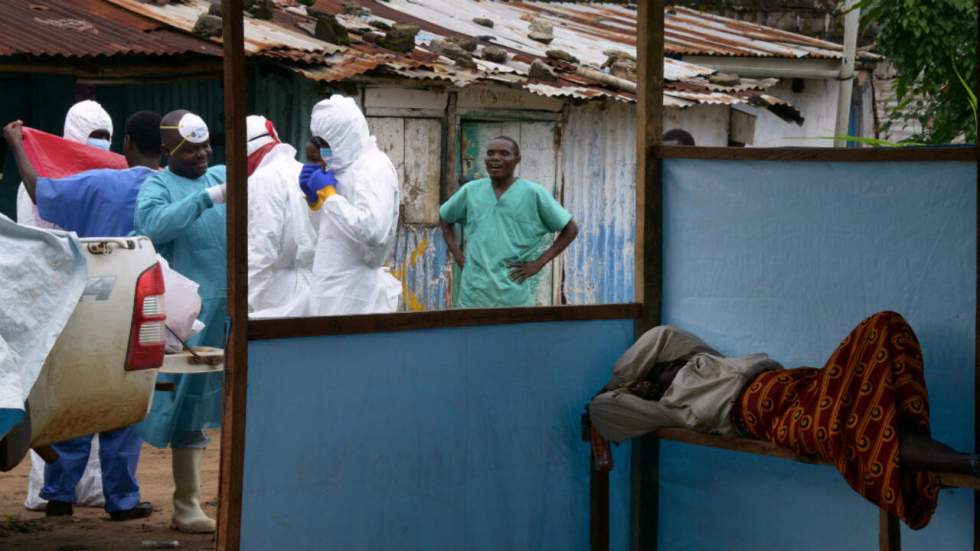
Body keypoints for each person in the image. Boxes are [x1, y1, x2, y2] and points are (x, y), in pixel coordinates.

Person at [589, 311, 979, 530]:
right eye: (638, 390)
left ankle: (962, 458)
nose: (644, 387)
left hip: (796, 383)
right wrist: (612, 392)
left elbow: (659, 335)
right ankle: (968, 461)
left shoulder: (697, 356)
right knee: (859, 431)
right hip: (768, 417)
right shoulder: (672, 409)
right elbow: (603, 411)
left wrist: (623, 378)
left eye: (645, 380)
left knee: (885, 327)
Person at [2, 111, 163, 522]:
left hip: (80, 300)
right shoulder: (172, 188)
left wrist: (17, 144)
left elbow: (40, 195)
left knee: (77, 392)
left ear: (126, 142)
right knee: (125, 398)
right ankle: (122, 500)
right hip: (141, 301)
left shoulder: (100, 183)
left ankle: (58, 493)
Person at [133, 109, 225, 533]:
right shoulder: (158, 186)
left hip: (234, 309)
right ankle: (186, 504)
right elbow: (151, 226)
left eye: (206, 146)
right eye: (192, 149)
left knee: (235, 404)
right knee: (191, 405)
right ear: (168, 150)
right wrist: (206, 199)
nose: (202, 154)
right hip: (192, 319)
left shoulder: (219, 175)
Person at [438, 136, 579, 308]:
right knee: (472, 334)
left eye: (504, 153)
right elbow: (445, 218)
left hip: (513, 295)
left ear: (517, 159)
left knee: (515, 333)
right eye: (491, 153)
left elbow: (570, 229)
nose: (495, 158)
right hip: (474, 293)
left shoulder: (534, 193)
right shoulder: (471, 191)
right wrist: (458, 255)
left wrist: (538, 263)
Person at [300, 95, 402, 315]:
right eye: (321, 143)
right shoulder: (341, 166)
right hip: (328, 285)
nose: (324, 151)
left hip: (355, 292)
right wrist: (314, 201)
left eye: (328, 144)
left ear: (345, 137)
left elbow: (373, 231)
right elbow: (328, 231)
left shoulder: (373, 168)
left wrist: (331, 197)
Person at [245, 115, 316, 318]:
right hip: (314, 288)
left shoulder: (263, 180)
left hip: (276, 294)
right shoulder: (302, 170)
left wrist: (248, 303)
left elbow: (262, 248)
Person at [16, 100, 115, 230]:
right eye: (96, 135)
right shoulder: (41, 177)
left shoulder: (113, 177)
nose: (102, 142)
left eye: (106, 137)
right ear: (76, 133)